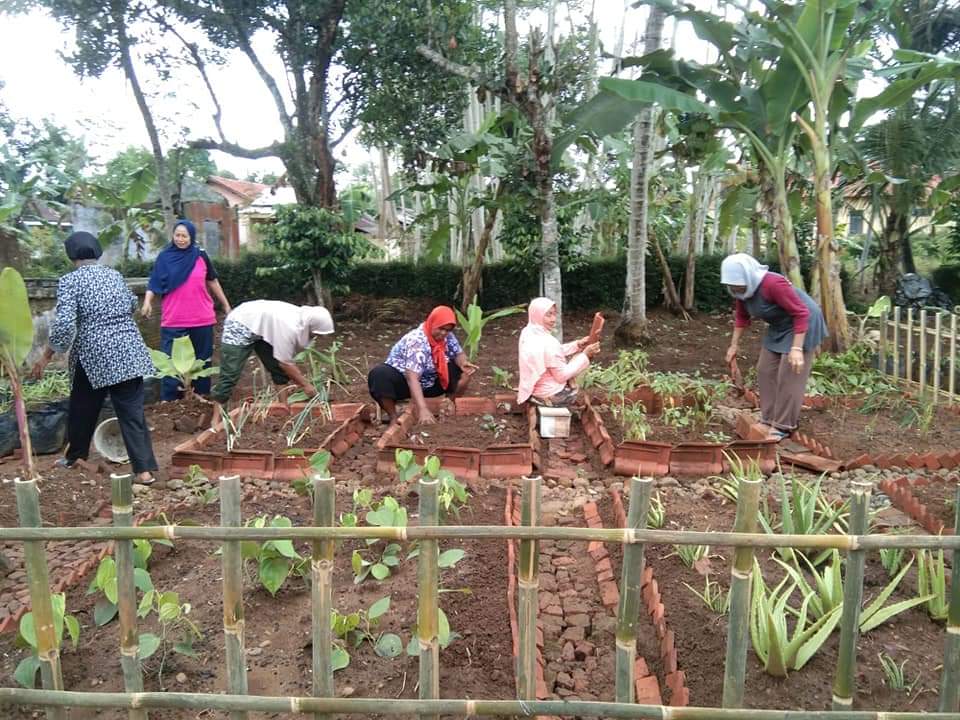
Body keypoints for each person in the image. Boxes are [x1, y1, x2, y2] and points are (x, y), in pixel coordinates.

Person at [31, 231, 158, 484]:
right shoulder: (114, 275)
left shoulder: (70, 281)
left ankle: (74, 456)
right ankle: (143, 471)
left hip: (94, 355)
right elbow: (132, 304)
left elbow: (65, 324)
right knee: (132, 413)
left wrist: (46, 356)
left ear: (71, 255)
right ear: (97, 252)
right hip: (128, 350)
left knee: (82, 408)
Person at [721, 253, 828, 441]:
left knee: (789, 373)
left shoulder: (772, 284)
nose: (735, 288)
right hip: (779, 326)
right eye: (731, 285)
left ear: (748, 275)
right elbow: (741, 317)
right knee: (765, 370)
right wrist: (733, 345)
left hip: (803, 323)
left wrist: (796, 349)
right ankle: (768, 418)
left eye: (737, 284)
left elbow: (801, 312)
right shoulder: (741, 292)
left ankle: (783, 426)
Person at [141, 219, 231, 400]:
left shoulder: (200, 255)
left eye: (184, 236)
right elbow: (154, 281)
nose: (180, 239)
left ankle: (200, 399)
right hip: (174, 319)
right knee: (171, 363)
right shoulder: (165, 257)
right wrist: (147, 302)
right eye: (177, 235)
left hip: (202, 318)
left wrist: (226, 305)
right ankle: (170, 402)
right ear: (173, 236)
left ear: (192, 237)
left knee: (202, 361)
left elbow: (212, 280)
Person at [209, 300, 334, 405]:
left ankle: (283, 408)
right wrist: (306, 385)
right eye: (316, 333)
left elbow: (283, 363)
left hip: (261, 330)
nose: (316, 336)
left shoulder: (300, 320)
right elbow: (285, 363)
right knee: (230, 375)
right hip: (239, 323)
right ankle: (216, 421)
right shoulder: (289, 327)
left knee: (277, 370)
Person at [367, 306, 478, 424]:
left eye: (448, 330)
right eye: (441, 328)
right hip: (404, 383)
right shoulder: (417, 341)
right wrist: (423, 409)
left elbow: (458, 353)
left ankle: (448, 404)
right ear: (432, 323)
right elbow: (412, 378)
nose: (444, 333)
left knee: (464, 372)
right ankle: (393, 417)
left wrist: (463, 363)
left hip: (430, 381)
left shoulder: (447, 337)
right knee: (379, 375)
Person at [517, 297, 600, 407]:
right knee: (577, 361)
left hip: (532, 390)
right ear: (538, 315)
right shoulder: (548, 342)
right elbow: (561, 376)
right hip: (552, 395)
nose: (553, 319)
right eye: (548, 315)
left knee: (576, 359)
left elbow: (550, 353)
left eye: (554, 314)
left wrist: (577, 345)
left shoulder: (528, 332)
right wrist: (585, 355)